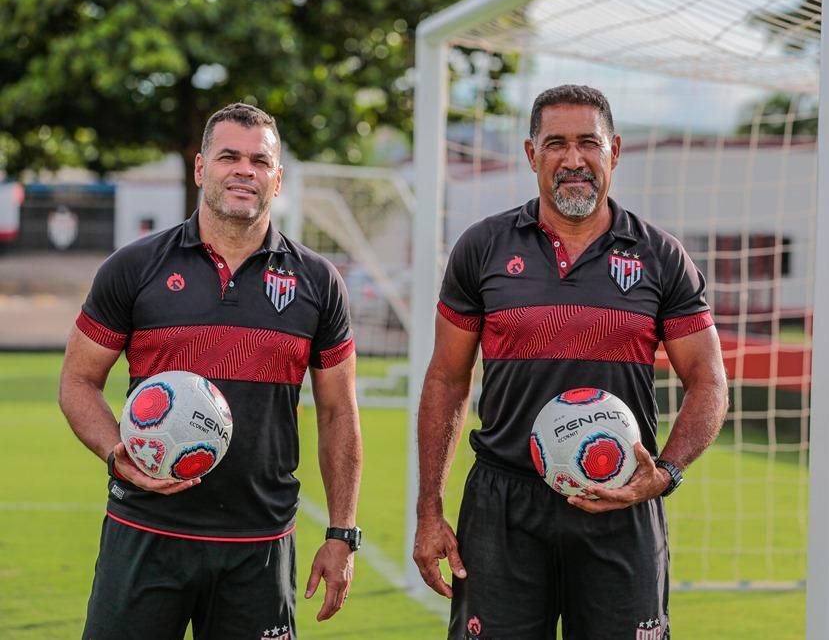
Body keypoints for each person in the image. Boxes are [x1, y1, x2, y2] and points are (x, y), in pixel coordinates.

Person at [412, 84, 729, 640]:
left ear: (615, 151)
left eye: (589, 142)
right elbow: (446, 378)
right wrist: (429, 508)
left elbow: (708, 382)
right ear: (532, 155)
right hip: (503, 505)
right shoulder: (482, 247)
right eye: (556, 144)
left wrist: (667, 472)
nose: (573, 159)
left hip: (622, 500)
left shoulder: (660, 256)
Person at [59, 102, 362, 639]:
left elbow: (339, 413)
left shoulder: (318, 282)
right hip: (146, 531)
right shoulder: (133, 267)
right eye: (228, 157)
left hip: (258, 545)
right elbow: (78, 381)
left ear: (277, 178)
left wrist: (342, 532)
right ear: (201, 168)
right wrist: (116, 453)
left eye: (259, 161)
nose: (244, 170)